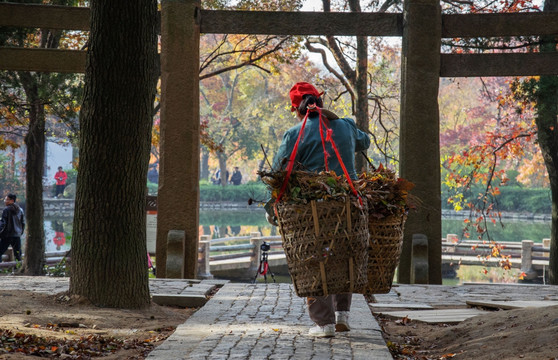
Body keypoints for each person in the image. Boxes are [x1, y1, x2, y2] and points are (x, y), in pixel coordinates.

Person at [270, 82, 370, 338]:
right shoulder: (345, 125)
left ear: (297, 109)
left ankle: (324, 324)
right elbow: (365, 141)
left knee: (315, 258)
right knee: (343, 252)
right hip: (348, 202)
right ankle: (343, 315)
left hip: (311, 208)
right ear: (320, 103)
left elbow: (278, 172)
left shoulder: (295, 134)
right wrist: (341, 126)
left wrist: (272, 207)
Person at [0, 194, 25, 262]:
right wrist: (20, 232)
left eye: (6, 199)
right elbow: (23, 223)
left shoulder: (6, 210)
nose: (5, 201)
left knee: (0, 251)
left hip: (7, 235)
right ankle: (18, 268)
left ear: (12, 200)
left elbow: (3, 223)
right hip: (17, 235)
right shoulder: (20, 210)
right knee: (17, 253)